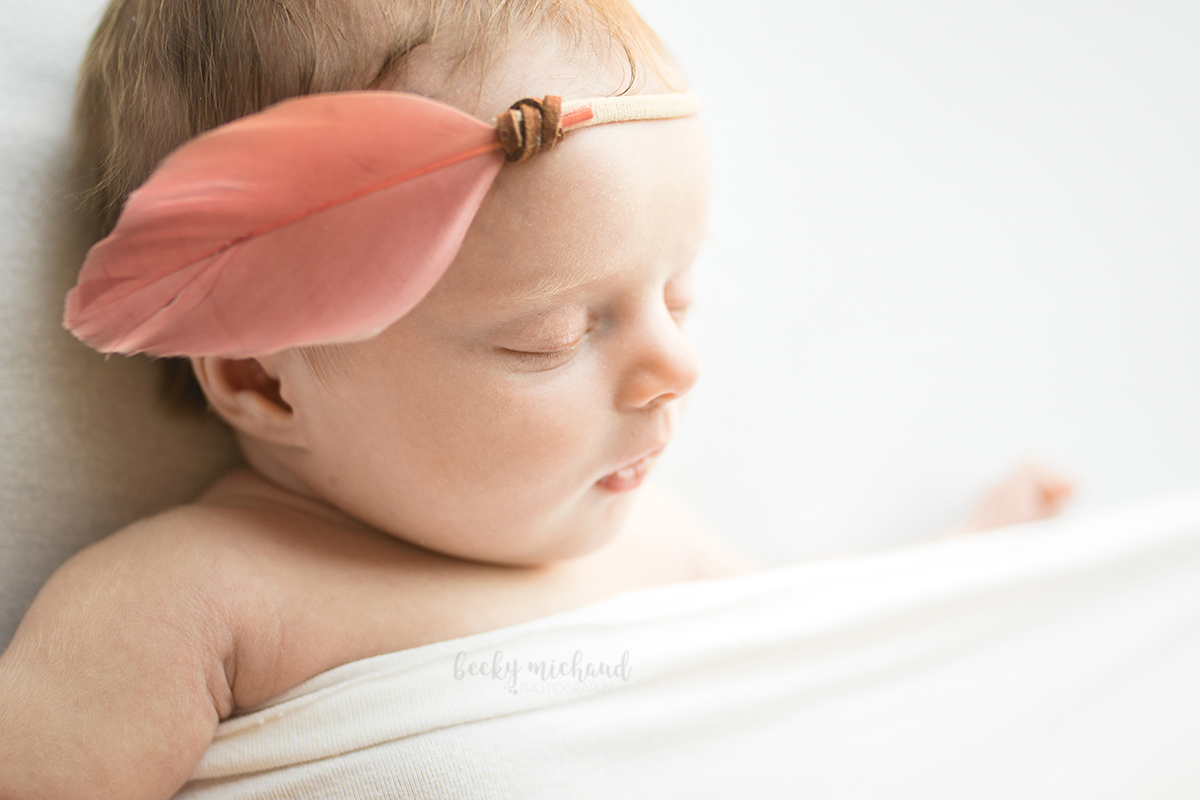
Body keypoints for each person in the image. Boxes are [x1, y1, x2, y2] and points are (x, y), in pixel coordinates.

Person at [0, 0, 1074, 797]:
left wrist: (958, 563)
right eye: (554, 331)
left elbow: (817, 652)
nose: (678, 365)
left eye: (680, 292)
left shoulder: (658, 541)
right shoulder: (192, 601)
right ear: (261, 376)